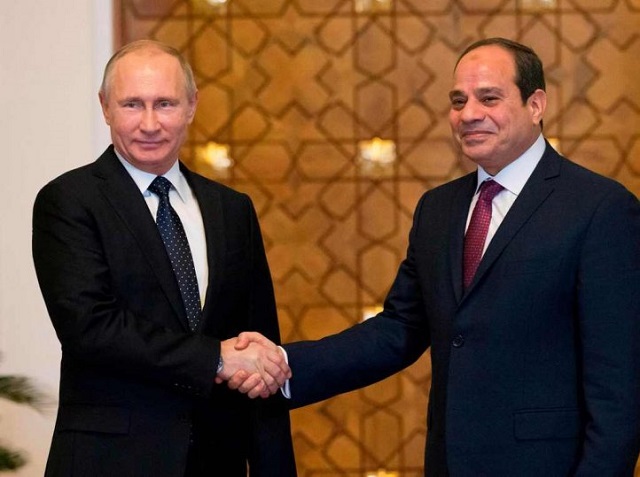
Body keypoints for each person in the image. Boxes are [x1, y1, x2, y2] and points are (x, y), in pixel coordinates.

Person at [231, 38, 640, 475]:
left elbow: (620, 389)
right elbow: (399, 329)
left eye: (489, 98)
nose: (468, 114)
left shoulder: (600, 208)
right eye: (458, 100)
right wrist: (286, 364)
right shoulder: (438, 209)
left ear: (535, 104)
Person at [32, 40, 296, 477]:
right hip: (110, 462)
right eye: (132, 104)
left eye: (166, 103)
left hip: (217, 460)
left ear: (192, 106)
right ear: (105, 107)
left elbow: (258, 343)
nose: (150, 123)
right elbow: (90, 328)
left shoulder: (232, 209)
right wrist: (214, 357)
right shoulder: (69, 201)